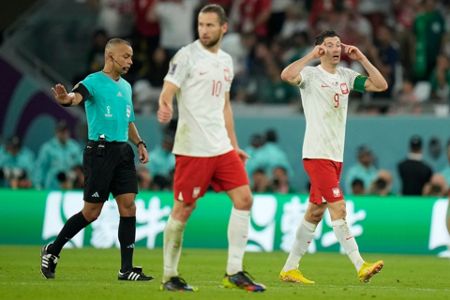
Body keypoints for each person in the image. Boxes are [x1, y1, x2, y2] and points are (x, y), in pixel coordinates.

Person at [157, 4, 266, 292]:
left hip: (221, 148)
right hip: (193, 148)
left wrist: (235, 145)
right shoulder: (186, 55)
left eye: (209, 25)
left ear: (223, 28)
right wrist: (165, 104)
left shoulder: (227, 61)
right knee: (184, 208)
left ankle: (235, 271)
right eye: (200, 25)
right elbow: (168, 89)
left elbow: (225, 106)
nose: (203, 30)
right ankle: (169, 276)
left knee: (244, 199)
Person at [278, 30, 388, 284]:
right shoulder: (310, 75)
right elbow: (286, 75)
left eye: (338, 44)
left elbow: (381, 85)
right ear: (320, 49)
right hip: (316, 153)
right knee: (338, 207)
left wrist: (362, 57)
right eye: (330, 45)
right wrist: (309, 56)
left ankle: (290, 268)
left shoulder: (347, 76)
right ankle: (360, 265)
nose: (337, 48)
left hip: (334, 156)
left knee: (315, 213)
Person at [40, 38, 153, 282]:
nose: (131, 61)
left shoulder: (126, 87)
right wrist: (64, 99)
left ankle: (126, 269)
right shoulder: (92, 82)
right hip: (100, 152)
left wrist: (140, 143)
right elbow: (75, 97)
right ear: (110, 56)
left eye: (131, 56)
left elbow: (128, 120)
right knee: (91, 213)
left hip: (123, 151)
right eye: (126, 56)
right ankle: (53, 249)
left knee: (129, 206)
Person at [34, 121, 82, 190]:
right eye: (61, 131)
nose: (63, 134)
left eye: (65, 131)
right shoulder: (48, 148)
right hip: (52, 186)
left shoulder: (74, 147)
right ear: (56, 132)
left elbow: (80, 167)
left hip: (70, 186)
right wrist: (38, 184)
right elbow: (41, 167)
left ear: (68, 132)